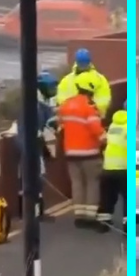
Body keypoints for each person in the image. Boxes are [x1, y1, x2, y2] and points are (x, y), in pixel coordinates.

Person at [57, 72, 106, 227]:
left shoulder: (66, 105)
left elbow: (60, 126)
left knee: (76, 183)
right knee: (92, 183)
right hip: (90, 153)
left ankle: (79, 216)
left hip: (71, 152)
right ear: (91, 89)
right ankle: (90, 217)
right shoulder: (89, 107)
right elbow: (96, 130)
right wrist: (106, 139)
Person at [17, 70, 61, 220]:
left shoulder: (40, 103)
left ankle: (34, 211)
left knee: (34, 177)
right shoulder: (35, 105)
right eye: (50, 87)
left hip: (32, 144)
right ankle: (34, 212)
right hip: (30, 146)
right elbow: (33, 126)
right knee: (34, 178)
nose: (53, 90)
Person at [56, 48, 112, 116]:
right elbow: (61, 99)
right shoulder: (66, 80)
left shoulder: (100, 79)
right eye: (81, 63)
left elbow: (104, 100)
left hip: (91, 115)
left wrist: (93, 108)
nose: (83, 66)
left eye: (85, 63)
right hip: (72, 116)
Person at [98, 104, 127, 232]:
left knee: (107, 196)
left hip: (108, 168)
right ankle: (128, 225)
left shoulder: (112, 127)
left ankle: (103, 223)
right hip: (123, 169)